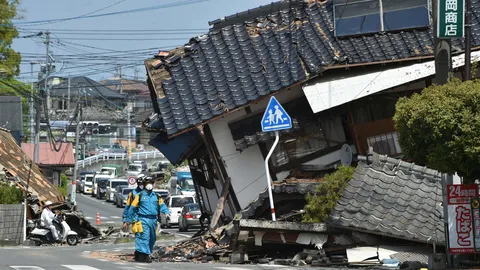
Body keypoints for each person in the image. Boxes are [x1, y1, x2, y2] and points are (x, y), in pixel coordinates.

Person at [126, 176, 170, 263]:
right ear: (145, 185)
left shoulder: (157, 196)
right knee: (144, 237)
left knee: (152, 238)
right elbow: (132, 208)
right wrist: (128, 220)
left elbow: (162, 205)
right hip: (143, 219)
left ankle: (141, 253)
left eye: (151, 183)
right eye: (147, 183)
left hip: (153, 220)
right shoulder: (140, 195)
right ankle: (145, 255)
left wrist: (166, 213)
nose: (149, 185)